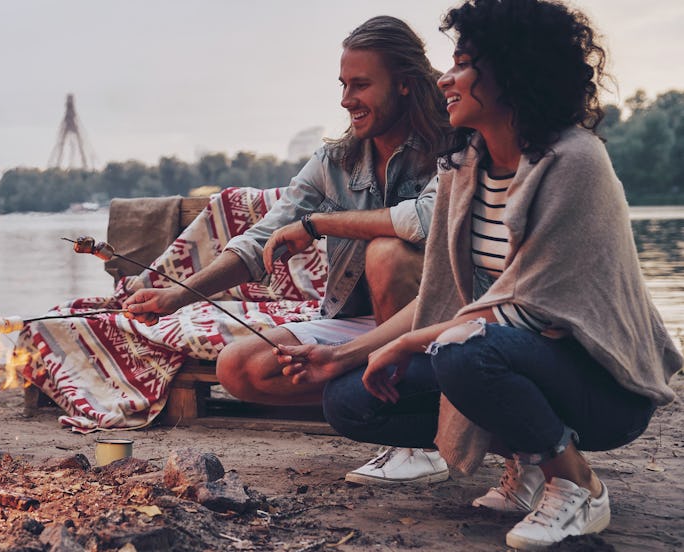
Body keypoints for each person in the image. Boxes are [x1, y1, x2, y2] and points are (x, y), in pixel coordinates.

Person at [274, 0, 683, 549]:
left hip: (603, 385)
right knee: (349, 399)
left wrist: (406, 345)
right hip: (497, 347)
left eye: (462, 63)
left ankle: (577, 482)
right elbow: (444, 300)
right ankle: (530, 458)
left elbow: (532, 310)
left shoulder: (574, 162)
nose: (444, 78)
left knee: (467, 351)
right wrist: (345, 356)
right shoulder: (463, 167)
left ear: (511, 71)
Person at [124, 16, 452, 484]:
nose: (346, 100)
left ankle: (416, 443)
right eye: (343, 85)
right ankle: (395, 408)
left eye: (361, 85)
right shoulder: (333, 162)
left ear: (403, 84)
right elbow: (261, 240)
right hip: (362, 326)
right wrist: (177, 297)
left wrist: (317, 224)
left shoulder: (452, 147)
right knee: (239, 368)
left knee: (387, 252)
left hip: (434, 320)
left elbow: (422, 221)